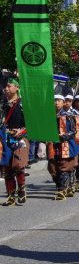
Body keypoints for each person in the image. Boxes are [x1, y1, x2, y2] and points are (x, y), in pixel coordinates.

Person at [1, 77, 30, 206]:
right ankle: (11, 195)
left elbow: (31, 123)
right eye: (5, 86)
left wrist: (22, 131)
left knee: (18, 165)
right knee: (7, 168)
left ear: (17, 87)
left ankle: (22, 189)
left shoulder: (24, 104)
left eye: (9, 86)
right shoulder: (2, 105)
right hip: (5, 138)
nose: (6, 88)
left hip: (20, 139)